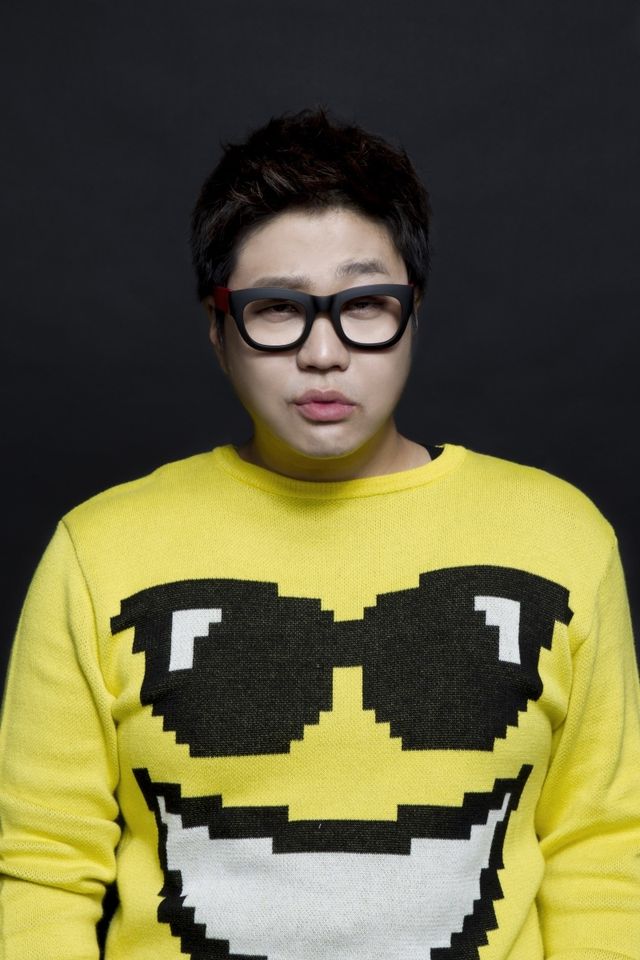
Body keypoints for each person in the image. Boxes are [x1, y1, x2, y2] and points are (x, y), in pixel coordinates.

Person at [0, 108, 639, 960]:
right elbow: (41, 868)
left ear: (414, 310)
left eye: (364, 304)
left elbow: (602, 853)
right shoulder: (99, 551)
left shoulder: (560, 537)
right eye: (277, 308)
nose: (324, 352)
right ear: (218, 326)